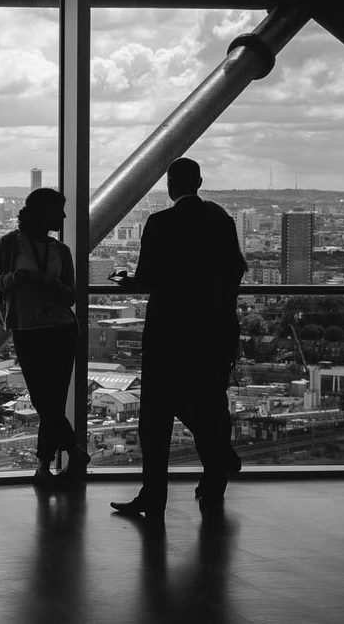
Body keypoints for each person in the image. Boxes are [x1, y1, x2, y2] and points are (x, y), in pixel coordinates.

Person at [110, 157, 246, 517]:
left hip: (169, 331)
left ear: (171, 186)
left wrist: (130, 283)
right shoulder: (221, 221)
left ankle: (154, 495)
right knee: (208, 402)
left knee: (156, 417)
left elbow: (150, 277)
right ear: (199, 182)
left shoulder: (161, 222)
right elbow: (236, 270)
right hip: (212, 330)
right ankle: (215, 477)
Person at [0, 188, 89, 487]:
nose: (64, 216)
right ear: (43, 213)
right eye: (58, 211)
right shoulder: (9, 244)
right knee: (45, 400)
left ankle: (44, 465)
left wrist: (47, 284)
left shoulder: (60, 250)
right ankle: (73, 453)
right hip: (31, 329)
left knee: (49, 401)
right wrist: (11, 280)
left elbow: (70, 296)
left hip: (59, 329)